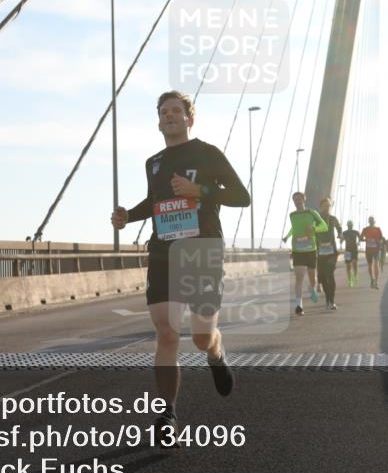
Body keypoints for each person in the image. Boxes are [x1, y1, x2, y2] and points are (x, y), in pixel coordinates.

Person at [110, 90, 249, 446]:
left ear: (190, 118)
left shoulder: (207, 153)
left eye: (176, 111)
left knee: (201, 337)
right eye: (164, 111)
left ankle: (216, 351)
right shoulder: (152, 161)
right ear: (158, 120)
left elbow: (241, 197)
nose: (170, 116)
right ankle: (167, 413)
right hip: (163, 252)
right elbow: (156, 202)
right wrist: (130, 215)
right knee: (167, 334)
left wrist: (199, 189)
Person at [281, 192, 327, 315]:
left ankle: (312, 288)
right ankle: (299, 305)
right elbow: (294, 228)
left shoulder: (312, 213)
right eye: (294, 199)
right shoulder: (292, 215)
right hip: (297, 249)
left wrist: (314, 229)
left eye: (299, 199)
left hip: (311, 249)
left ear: (304, 199)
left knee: (312, 278)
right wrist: (287, 236)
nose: (297, 201)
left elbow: (324, 226)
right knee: (299, 277)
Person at [314, 197, 342, 310]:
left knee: (330, 275)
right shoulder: (316, 219)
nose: (327, 208)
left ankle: (331, 301)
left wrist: (340, 234)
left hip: (332, 252)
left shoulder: (333, 219)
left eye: (328, 206)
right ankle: (328, 299)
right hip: (320, 252)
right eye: (324, 205)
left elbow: (339, 228)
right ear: (320, 207)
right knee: (322, 276)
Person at [361, 216, 384, 289]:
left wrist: (367, 240)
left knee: (371, 265)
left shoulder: (365, 229)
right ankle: (375, 282)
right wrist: (380, 244)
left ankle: (372, 280)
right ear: (374, 221)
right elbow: (381, 239)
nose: (371, 222)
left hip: (370, 250)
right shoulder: (377, 229)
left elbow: (361, 238)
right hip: (375, 249)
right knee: (375, 265)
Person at [342, 220, 361, 286]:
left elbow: (360, 238)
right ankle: (350, 280)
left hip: (354, 250)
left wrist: (359, 242)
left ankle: (355, 276)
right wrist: (341, 240)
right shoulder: (344, 232)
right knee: (348, 266)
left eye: (351, 225)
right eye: (349, 225)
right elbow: (342, 239)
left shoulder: (355, 232)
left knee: (355, 264)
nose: (350, 226)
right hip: (347, 250)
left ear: (352, 225)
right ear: (347, 225)